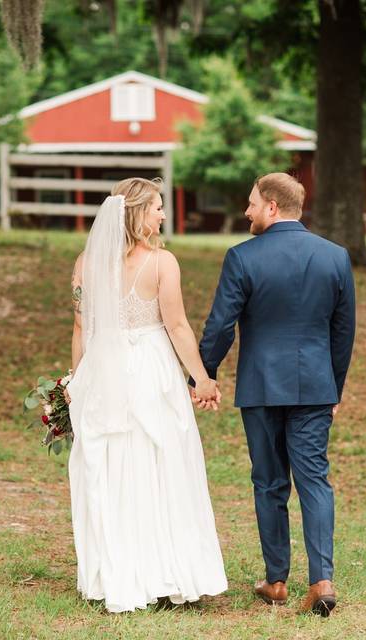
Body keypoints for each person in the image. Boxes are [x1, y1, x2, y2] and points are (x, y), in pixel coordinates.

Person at [194, 172, 356, 617]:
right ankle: (322, 579)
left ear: (271, 206)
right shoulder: (336, 257)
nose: (245, 211)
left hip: (262, 387)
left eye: (251, 203)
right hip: (316, 388)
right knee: (314, 481)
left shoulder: (242, 258)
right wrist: (334, 386)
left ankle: (277, 580)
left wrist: (203, 374)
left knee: (269, 482)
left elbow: (221, 326)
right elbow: (344, 333)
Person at [64, 177, 227, 613]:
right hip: (150, 370)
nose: (162, 214)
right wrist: (201, 379)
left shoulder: (86, 263)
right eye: (156, 207)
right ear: (137, 214)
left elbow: (81, 328)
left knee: (114, 467)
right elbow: (176, 326)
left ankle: (118, 571)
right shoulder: (162, 263)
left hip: (102, 368)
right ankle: (164, 572)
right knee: (160, 463)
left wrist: (76, 384)